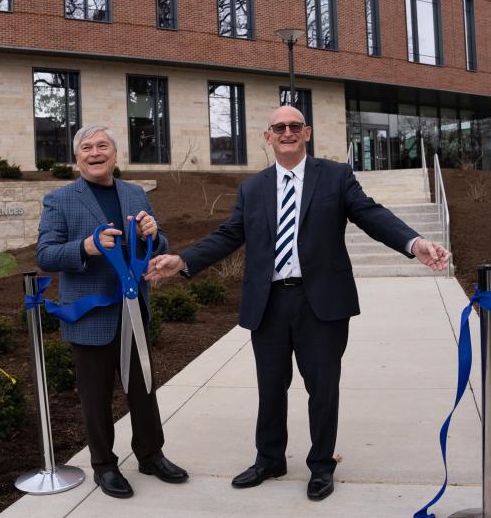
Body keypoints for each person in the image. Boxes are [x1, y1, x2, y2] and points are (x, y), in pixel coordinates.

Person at [146, 105, 449, 501]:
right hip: (268, 302)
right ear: (267, 136)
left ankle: (322, 465)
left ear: (306, 133)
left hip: (320, 302)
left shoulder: (335, 176)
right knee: (271, 386)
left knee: (322, 388)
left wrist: (414, 242)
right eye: (279, 127)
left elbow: (371, 215)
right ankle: (269, 458)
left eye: (294, 126)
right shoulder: (253, 189)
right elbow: (228, 235)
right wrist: (182, 260)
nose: (287, 132)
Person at [37, 124, 188, 499]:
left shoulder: (135, 194)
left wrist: (155, 235)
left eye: (102, 145)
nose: (94, 152)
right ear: (77, 158)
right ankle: (104, 465)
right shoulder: (60, 199)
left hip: (134, 311)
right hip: (91, 318)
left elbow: (156, 245)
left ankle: (151, 455)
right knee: (96, 396)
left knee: (144, 390)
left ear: (115, 154)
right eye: (86, 147)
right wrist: (86, 247)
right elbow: (45, 255)